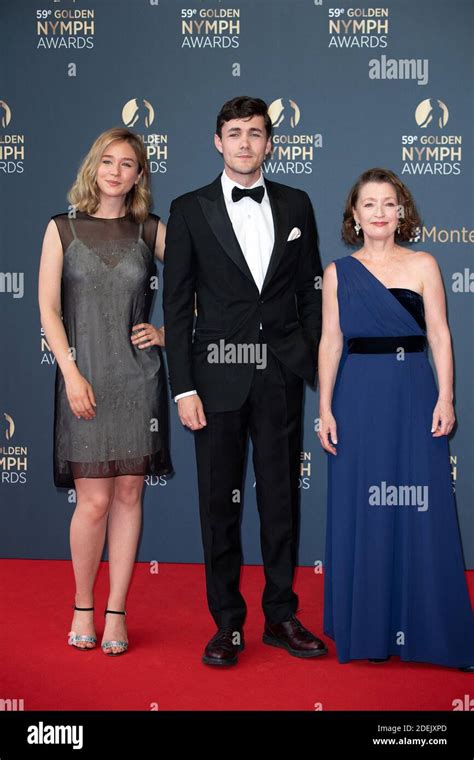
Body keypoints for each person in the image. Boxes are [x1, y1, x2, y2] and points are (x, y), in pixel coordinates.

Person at [163, 96, 327, 666]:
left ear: (269, 142)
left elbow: (310, 290)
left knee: (280, 500)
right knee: (219, 505)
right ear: (217, 141)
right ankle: (227, 625)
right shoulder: (188, 209)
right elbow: (177, 308)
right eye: (234, 133)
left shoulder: (297, 203)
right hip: (215, 380)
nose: (245, 143)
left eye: (255, 133)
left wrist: (307, 360)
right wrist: (183, 388)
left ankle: (281, 615)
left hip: (280, 373)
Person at [318, 167, 474, 670]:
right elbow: (331, 341)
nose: (380, 212)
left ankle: (425, 627)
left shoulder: (424, 264)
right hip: (358, 395)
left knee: (420, 507)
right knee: (362, 504)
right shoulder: (338, 273)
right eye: (370, 204)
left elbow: (441, 336)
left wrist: (446, 397)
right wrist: (324, 407)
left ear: (401, 212)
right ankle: (367, 626)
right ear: (355, 215)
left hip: (413, 393)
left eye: (389, 203)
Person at [38, 127, 172, 656]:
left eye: (128, 164)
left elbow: (205, 282)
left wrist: (164, 334)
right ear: (93, 167)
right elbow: (48, 309)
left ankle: (117, 610)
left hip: (138, 379)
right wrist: (70, 374)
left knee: (129, 494)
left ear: (140, 175)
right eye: (108, 161)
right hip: (85, 378)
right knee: (92, 501)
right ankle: (83, 605)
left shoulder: (150, 231)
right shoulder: (61, 228)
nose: (116, 171)